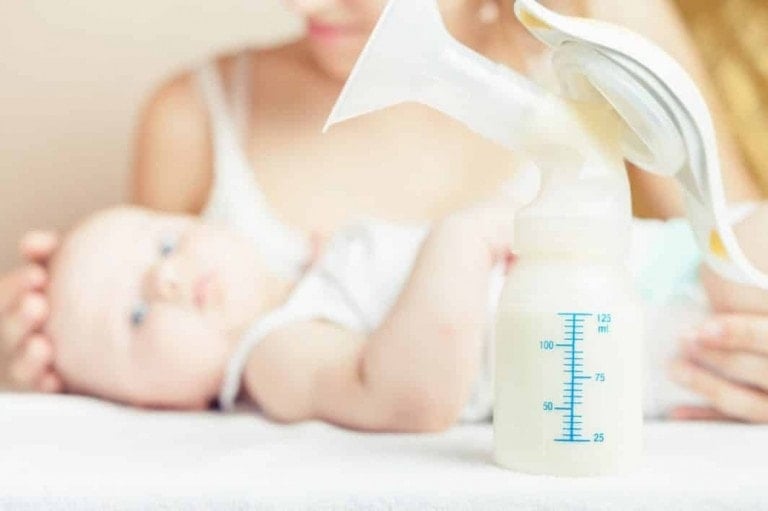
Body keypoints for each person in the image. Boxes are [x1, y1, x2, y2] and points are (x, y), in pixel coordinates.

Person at [2, 0, 766, 422]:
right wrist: (48, 361)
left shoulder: (606, 22)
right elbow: (148, 355)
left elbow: (728, 228)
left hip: (670, 300)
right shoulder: (193, 116)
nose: (307, 7)